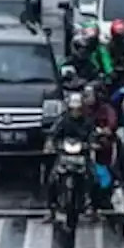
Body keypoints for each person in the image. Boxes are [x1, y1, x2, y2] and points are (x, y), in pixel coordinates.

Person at [42, 93, 95, 223]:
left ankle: (92, 207)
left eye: (78, 109)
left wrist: (92, 143)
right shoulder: (63, 121)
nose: (75, 112)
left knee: (93, 179)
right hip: (64, 156)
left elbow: (92, 135)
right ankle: (51, 210)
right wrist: (51, 143)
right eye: (73, 109)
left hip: (81, 156)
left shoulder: (87, 122)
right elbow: (53, 133)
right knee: (51, 180)